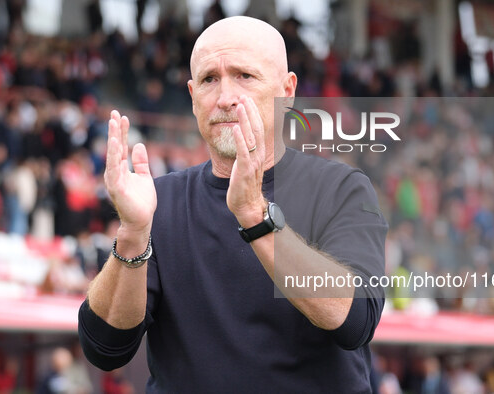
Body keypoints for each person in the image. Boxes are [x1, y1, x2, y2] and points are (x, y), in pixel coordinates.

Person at [78, 16, 387, 393]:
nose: (225, 98)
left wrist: (256, 216)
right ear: (193, 97)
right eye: (209, 79)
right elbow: (104, 349)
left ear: (287, 91)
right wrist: (132, 235)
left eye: (245, 76)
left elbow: (354, 321)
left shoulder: (341, 189)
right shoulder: (158, 202)